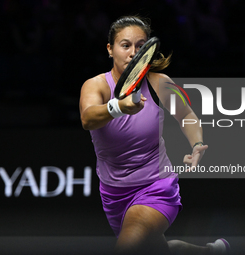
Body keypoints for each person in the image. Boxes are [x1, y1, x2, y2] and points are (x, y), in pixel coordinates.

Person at [79, 15, 230, 255]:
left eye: (140, 46)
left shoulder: (160, 83)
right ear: (110, 49)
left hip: (156, 187)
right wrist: (119, 106)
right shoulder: (96, 86)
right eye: (125, 45)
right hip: (114, 194)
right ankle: (212, 252)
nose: (133, 53)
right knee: (155, 250)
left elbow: (186, 114)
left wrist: (197, 143)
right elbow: (88, 119)